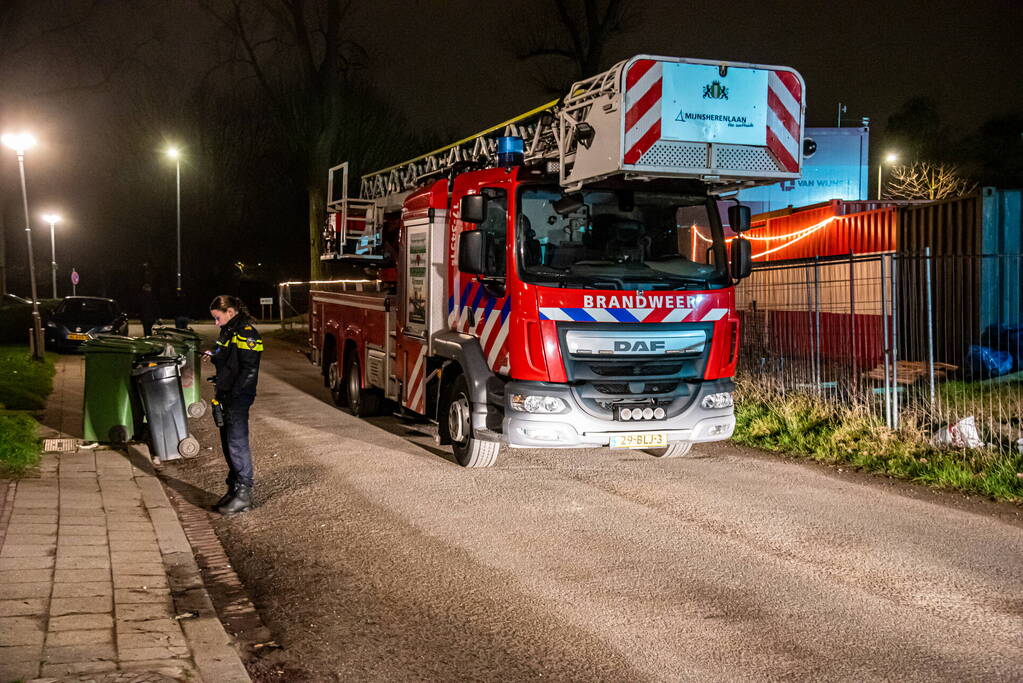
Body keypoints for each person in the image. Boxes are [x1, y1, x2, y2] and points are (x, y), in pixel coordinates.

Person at [206, 295, 262, 516]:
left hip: (237, 397)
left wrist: (235, 394)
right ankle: (234, 488)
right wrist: (213, 355)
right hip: (226, 394)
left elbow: (250, 369)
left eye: (217, 318)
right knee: (229, 443)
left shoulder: (247, 334)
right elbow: (225, 356)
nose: (216, 323)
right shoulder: (229, 331)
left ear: (230, 312)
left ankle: (243, 494)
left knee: (237, 444)